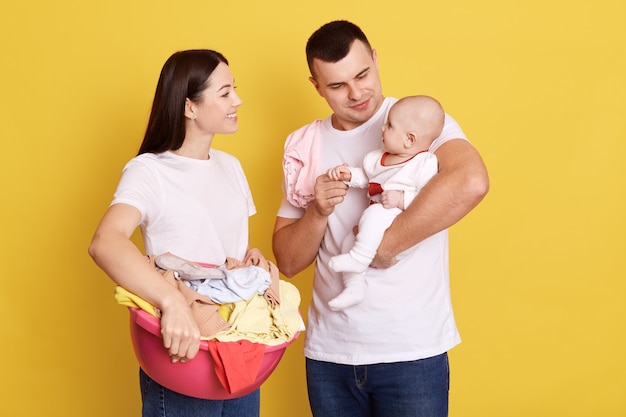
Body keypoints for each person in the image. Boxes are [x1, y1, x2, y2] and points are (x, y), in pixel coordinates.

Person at [272, 20, 489, 417]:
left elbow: (471, 181)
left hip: (412, 351)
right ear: (316, 85)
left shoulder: (418, 122)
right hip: (329, 354)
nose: (357, 93)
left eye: (363, 74)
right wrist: (318, 212)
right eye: (337, 85)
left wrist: (387, 244)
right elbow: (287, 261)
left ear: (375, 59)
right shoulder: (304, 144)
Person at [89, 49, 262, 416]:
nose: (238, 100)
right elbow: (106, 242)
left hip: (238, 347)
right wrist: (172, 302)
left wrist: (251, 260)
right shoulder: (149, 171)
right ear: (189, 107)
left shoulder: (232, 167)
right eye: (226, 92)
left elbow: (221, 246)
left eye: (235, 90)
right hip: (185, 350)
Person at [325, 95, 444, 311]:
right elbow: (366, 178)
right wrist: (348, 175)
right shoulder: (377, 158)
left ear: (409, 139)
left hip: (400, 221)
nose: (382, 128)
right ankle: (354, 286)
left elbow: (430, 199)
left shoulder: (423, 164)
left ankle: (358, 258)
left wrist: (401, 199)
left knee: (375, 214)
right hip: (374, 223)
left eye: (389, 125)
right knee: (347, 240)